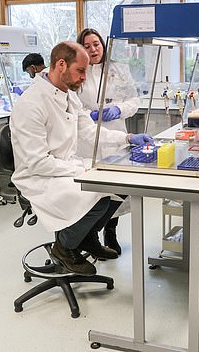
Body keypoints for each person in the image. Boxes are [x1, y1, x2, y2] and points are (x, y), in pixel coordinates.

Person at [10, 41, 152, 275]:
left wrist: (127, 138)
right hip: (38, 175)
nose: (85, 78)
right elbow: (37, 162)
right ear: (61, 65)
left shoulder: (67, 96)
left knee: (121, 187)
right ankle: (64, 248)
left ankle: (86, 239)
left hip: (65, 166)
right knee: (95, 195)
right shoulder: (31, 104)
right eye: (81, 71)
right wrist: (82, 172)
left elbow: (88, 131)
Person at [76, 28, 142, 255]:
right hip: (87, 137)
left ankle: (110, 232)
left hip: (115, 134)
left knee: (116, 189)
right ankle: (90, 234)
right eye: (86, 46)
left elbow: (134, 100)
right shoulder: (78, 72)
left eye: (96, 44)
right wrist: (89, 114)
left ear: (103, 45)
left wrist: (119, 109)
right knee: (93, 191)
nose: (93, 49)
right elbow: (71, 104)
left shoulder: (120, 70)